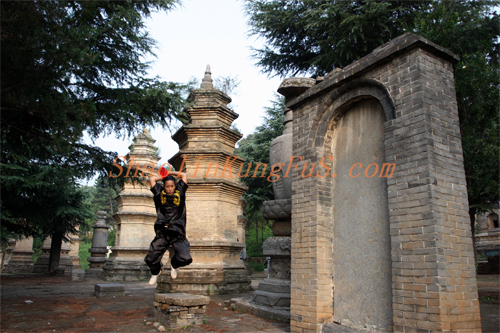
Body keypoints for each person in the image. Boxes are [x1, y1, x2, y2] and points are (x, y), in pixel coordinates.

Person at [144, 167, 192, 285]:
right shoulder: (159, 192)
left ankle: (173, 264)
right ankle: (156, 272)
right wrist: (164, 177)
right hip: (163, 233)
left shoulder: (180, 191)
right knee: (150, 259)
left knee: (186, 258)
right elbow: (152, 179)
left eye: (172, 186)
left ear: (175, 186)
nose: (170, 189)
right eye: (167, 186)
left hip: (177, 232)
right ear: (164, 187)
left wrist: (170, 173)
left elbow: (184, 175)